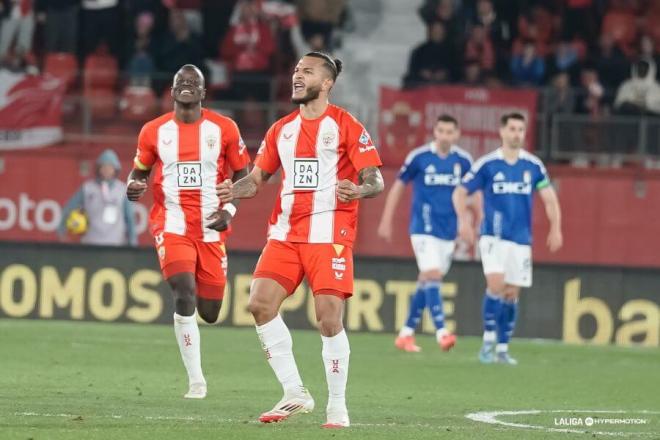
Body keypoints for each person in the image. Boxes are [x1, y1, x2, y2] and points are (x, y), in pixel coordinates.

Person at [216, 51, 384, 428]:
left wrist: (358, 190)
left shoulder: (345, 125)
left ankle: (337, 406)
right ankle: (295, 392)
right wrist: (232, 191)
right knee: (259, 304)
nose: (297, 76)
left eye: (306, 72)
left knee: (327, 319)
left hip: (330, 233)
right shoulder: (281, 130)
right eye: (295, 70)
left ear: (326, 83)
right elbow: (257, 180)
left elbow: (376, 179)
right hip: (286, 233)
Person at [126, 64, 250, 399]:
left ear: (204, 92)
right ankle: (196, 381)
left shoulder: (224, 128)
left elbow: (245, 173)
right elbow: (138, 172)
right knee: (183, 290)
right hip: (171, 222)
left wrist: (230, 209)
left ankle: (198, 349)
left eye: (194, 82)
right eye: (181, 81)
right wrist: (133, 185)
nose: (187, 85)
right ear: (171, 90)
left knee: (209, 313)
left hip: (211, 227)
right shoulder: (153, 131)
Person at [452, 113, 562, 365]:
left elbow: (549, 198)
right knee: (496, 285)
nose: (516, 133)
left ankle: (502, 348)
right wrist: (464, 220)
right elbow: (460, 192)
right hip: (493, 237)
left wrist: (556, 227)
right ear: (502, 132)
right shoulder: (488, 164)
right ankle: (488, 341)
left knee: (512, 294)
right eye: (512, 128)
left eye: (520, 129)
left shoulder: (533, 166)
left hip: (521, 239)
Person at [377, 115, 474, 353]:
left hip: (448, 231)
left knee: (426, 280)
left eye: (450, 131)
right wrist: (386, 219)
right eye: (441, 131)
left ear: (457, 134)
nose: (445, 136)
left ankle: (406, 334)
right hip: (423, 227)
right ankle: (442, 332)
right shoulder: (419, 157)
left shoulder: (464, 161)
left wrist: (468, 222)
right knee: (433, 275)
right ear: (435, 132)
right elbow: (399, 186)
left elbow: (471, 193)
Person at [58, 149, 137, 247]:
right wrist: (61, 230)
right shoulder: (87, 188)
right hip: (90, 244)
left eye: (110, 167)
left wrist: (133, 242)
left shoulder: (123, 190)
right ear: (98, 168)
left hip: (116, 245)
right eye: (104, 166)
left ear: (115, 169)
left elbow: (130, 218)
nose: (106, 170)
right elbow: (69, 208)